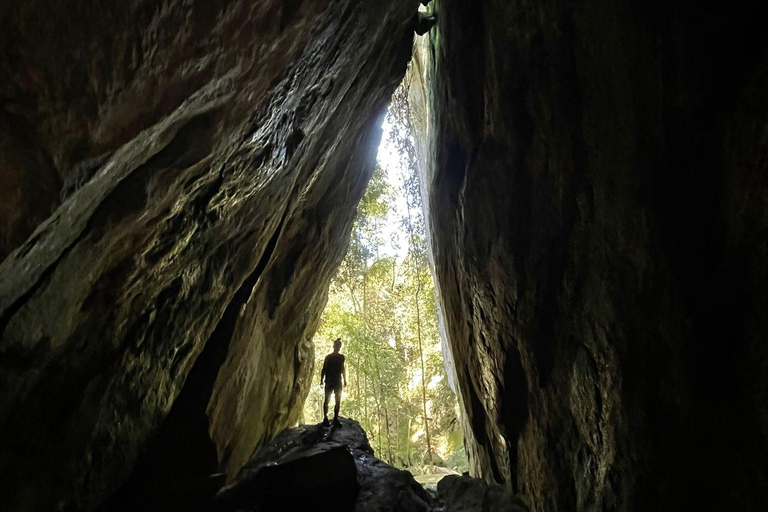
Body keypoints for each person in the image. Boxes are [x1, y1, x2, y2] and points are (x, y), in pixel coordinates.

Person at [320, 338, 346, 426]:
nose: (338, 347)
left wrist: (345, 379)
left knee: (335, 400)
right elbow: (324, 369)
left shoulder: (339, 357)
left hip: (334, 381)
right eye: (337, 346)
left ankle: (333, 418)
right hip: (332, 381)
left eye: (339, 346)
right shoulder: (331, 357)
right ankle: (327, 418)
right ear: (335, 346)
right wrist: (321, 380)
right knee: (329, 400)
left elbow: (342, 369)